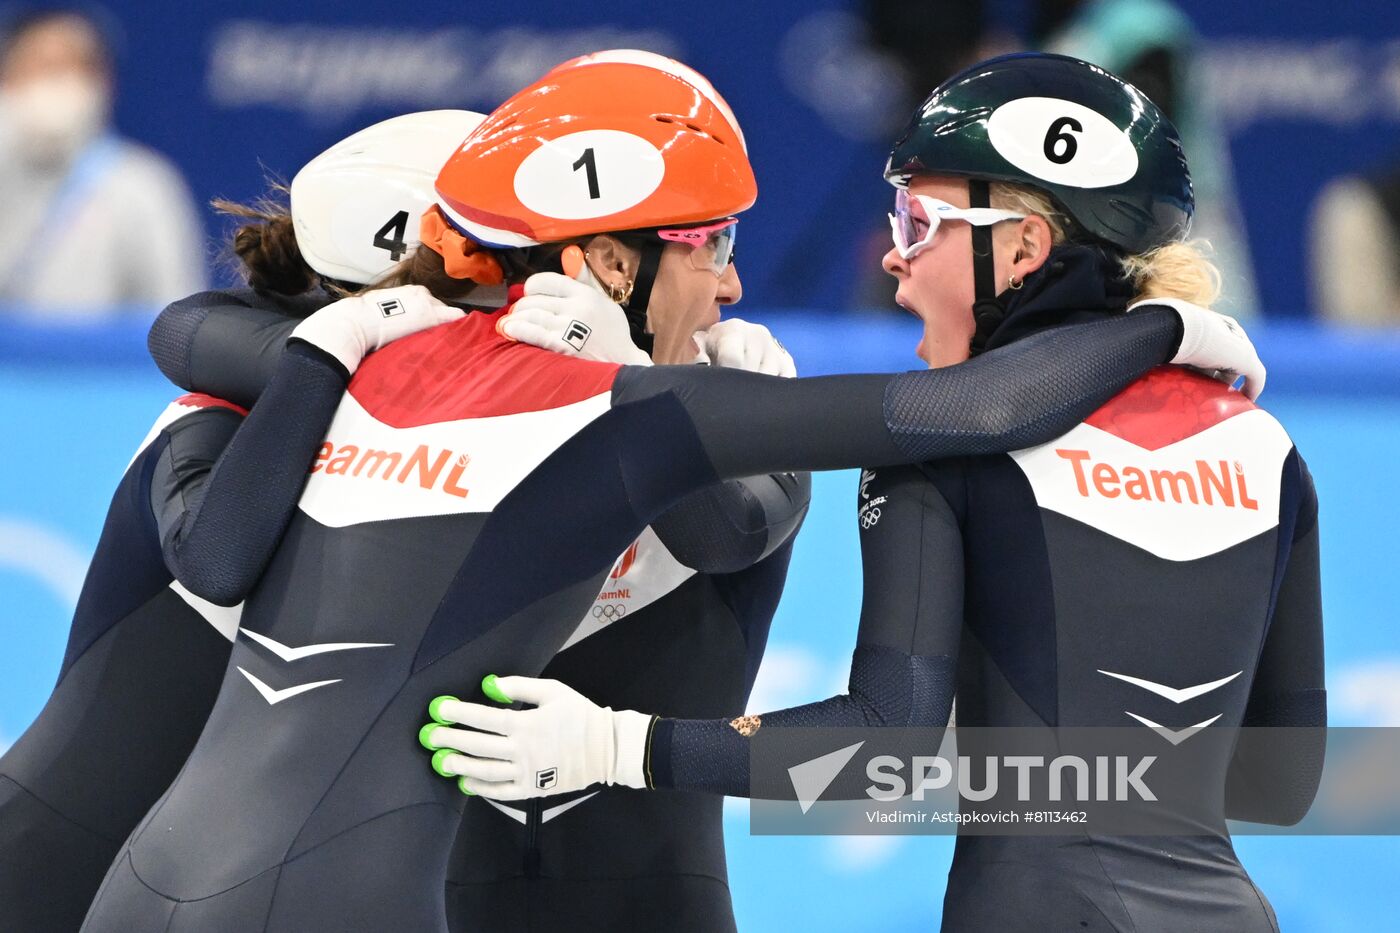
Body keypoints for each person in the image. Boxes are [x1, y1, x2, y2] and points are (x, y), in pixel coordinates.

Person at [79, 53, 1261, 933]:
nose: (737, 281)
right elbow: (973, 419)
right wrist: (1164, 323)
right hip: (354, 893)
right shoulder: (628, 415)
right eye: (709, 245)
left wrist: (326, 345)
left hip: (143, 883)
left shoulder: (371, 362)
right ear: (606, 260)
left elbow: (190, 351)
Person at [426, 54, 1322, 932]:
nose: (893, 261)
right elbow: (1279, 783)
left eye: (916, 223)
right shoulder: (1265, 443)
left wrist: (613, 746)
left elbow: (881, 745)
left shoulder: (940, 448)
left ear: (1022, 246)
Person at [0, 110, 472, 932]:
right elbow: (216, 559)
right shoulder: (218, 418)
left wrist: (641, 751)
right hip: (62, 874)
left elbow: (775, 769)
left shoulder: (652, 433)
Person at [0, 7, 206, 312]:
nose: (53, 84)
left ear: (103, 82)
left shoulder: (144, 187)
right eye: (39, 67)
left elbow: (177, 322)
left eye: (68, 68)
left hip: (97, 360)